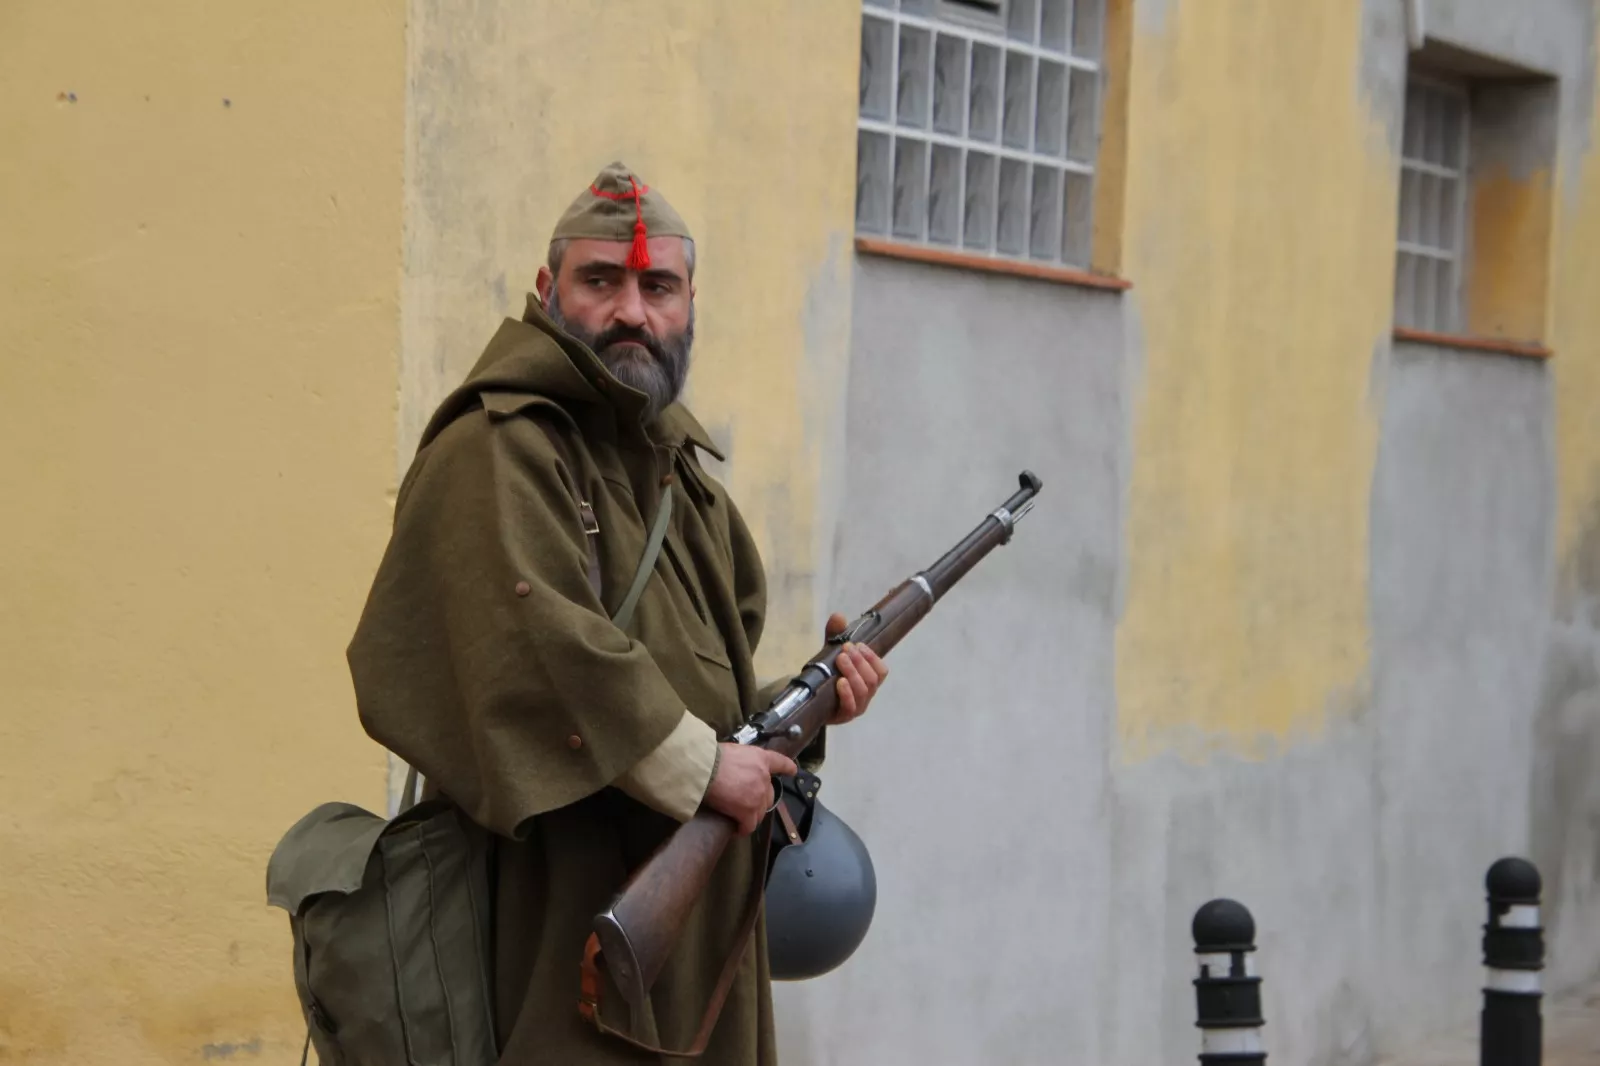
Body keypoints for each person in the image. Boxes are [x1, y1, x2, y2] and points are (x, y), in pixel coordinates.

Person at [346, 161, 887, 1064]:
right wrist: (699, 770)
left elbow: (705, 688)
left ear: (689, 303)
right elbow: (536, 643)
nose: (633, 311)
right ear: (547, 290)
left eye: (657, 285)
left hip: (697, 917)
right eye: (602, 281)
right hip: (561, 905)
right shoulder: (500, 446)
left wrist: (808, 704)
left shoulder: (682, 477)